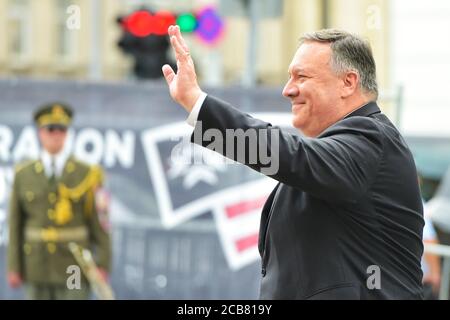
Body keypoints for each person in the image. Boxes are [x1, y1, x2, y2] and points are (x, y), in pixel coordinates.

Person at [162, 26, 424, 299]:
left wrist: (196, 102)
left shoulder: (372, 139)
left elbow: (292, 157)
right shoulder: (348, 149)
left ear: (348, 82)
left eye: (302, 76)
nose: (288, 90)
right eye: (289, 77)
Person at [7, 103, 111, 300]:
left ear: (67, 133)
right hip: (36, 265)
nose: (56, 134)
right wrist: (14, 266)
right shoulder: (23, 174)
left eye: (61, 129)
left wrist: (103, 263)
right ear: (40, 133)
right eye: (50, 129)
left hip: (74, 265)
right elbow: (15, 224)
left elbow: (102, 223)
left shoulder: (88, 173)